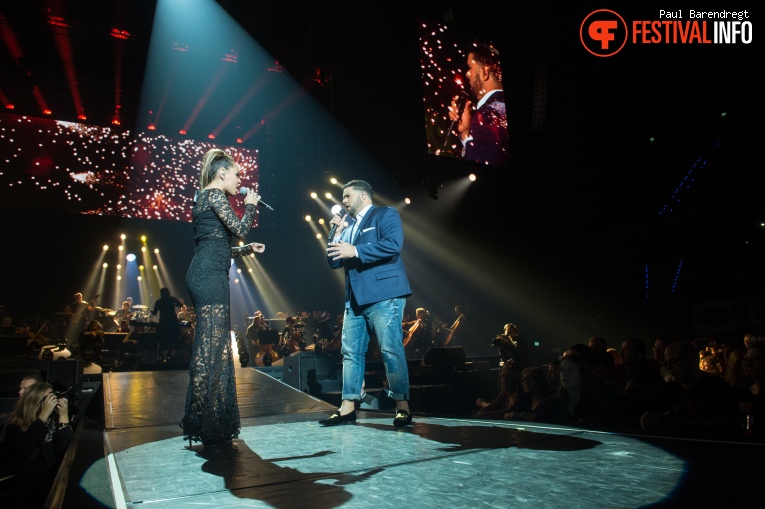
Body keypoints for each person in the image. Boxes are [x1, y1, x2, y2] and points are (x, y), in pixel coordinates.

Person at [181, 148, 265, 447]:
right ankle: (208, 424)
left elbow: (217, 246)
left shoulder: (206, 196)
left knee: (212, 347)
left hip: (206, 272)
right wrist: (251, 205)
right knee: (212, 349)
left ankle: (205, 420)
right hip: (208, 277)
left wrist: (246, 250)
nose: (240, 180)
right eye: (238, 175)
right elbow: (239, 229)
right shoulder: (215, 194)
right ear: (222, 174)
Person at [321, 179, 412, 426]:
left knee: (390, 349)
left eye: (347, 195)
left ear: (363, 195)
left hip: (384, 294)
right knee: (350, 353)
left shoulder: (385, 214)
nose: (344, 201)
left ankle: (402, 406)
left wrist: (357, 251)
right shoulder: (347, 227)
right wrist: (336, 233)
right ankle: (347, 407)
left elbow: (394, 245)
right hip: (355, 300)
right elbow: (334, 261)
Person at [0, 382, 73, 506]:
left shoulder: (53, 423)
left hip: (51, 487)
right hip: (27, 492)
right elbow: (23, 447)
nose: (52, 402)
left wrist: (63, 417)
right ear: (34, 402)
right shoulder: (14, 427)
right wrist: (43, 414)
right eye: (47, 399)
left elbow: (68, 451)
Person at [448, 42, 510, 167]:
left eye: (470, 67)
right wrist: (466, 132)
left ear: (485, 71)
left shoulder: (487, 114)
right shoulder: (500, 107)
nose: (467, 73)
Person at [150, 288, 183, 360]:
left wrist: (150, 311)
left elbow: (154, 313)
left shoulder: (158, 301)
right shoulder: (172, 299)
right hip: (172, 321)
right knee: (173, 338)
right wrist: (175, 303)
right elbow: (181, 305)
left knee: (163, 339)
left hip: (163, 322)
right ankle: (171, 354)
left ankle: (162, 356)